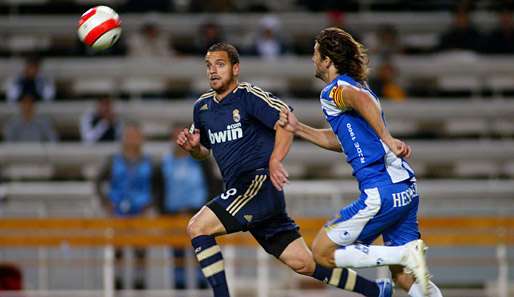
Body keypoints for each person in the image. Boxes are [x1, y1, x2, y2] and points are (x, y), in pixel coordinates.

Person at [176, 42, 393, 297]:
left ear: (236, 68)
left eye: (220, 64)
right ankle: (376, 291)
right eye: (209, 66)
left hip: (257, 185)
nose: (213, 71)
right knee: (304, 263)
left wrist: (275, 159)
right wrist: (193, 149)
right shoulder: (202, 108)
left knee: (197, 227)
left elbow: (285, 119)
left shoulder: (249, 96)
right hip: (243, 193)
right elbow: (204, 152)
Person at [276, 27, 443, 297]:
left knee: (321, 253)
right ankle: (406, 257)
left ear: (328, 60)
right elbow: (344, 140)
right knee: (404, 278)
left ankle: (403, 253)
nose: (312, 60)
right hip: (405, 189)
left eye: (316, 54)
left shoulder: (335, 90)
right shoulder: (357, 85)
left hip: (381, 191)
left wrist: (388, 138)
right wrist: (299, 129)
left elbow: (360, 101)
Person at [155, 126, 222, 289]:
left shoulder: (202, 161)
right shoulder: (165, 162)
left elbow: (214, 184)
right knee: (177, 255)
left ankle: (204, 288)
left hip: (198, 213)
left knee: (201, 252)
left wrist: (210, 209)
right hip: (173, 215)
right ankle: (180, 288)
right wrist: (162, 211)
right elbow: (158, 188)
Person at [95, 121, 156, 290]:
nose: (132, 140)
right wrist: (106, 202)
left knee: (140, 251)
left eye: (135, 136)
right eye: (129, 136)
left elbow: (157, 186)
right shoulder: (113, 161)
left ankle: (140, 284)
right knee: (118, 250)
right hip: (118, 211)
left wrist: (150, 203)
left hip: (141, 211)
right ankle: (117, 283)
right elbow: (98, 182)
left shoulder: (149, 162)